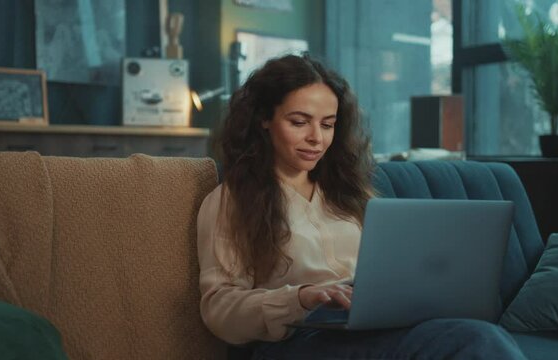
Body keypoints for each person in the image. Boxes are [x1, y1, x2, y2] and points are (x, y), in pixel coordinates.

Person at [197, 54, 526, 359]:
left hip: (368, 328)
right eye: (299, 122)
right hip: (298, 339)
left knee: (479, 334)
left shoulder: (351, 193)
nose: (317, 138)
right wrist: (301, 297)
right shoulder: (233, 199)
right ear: (264, 120)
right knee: (476, 340)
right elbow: (220, 309)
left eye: (327, 125)